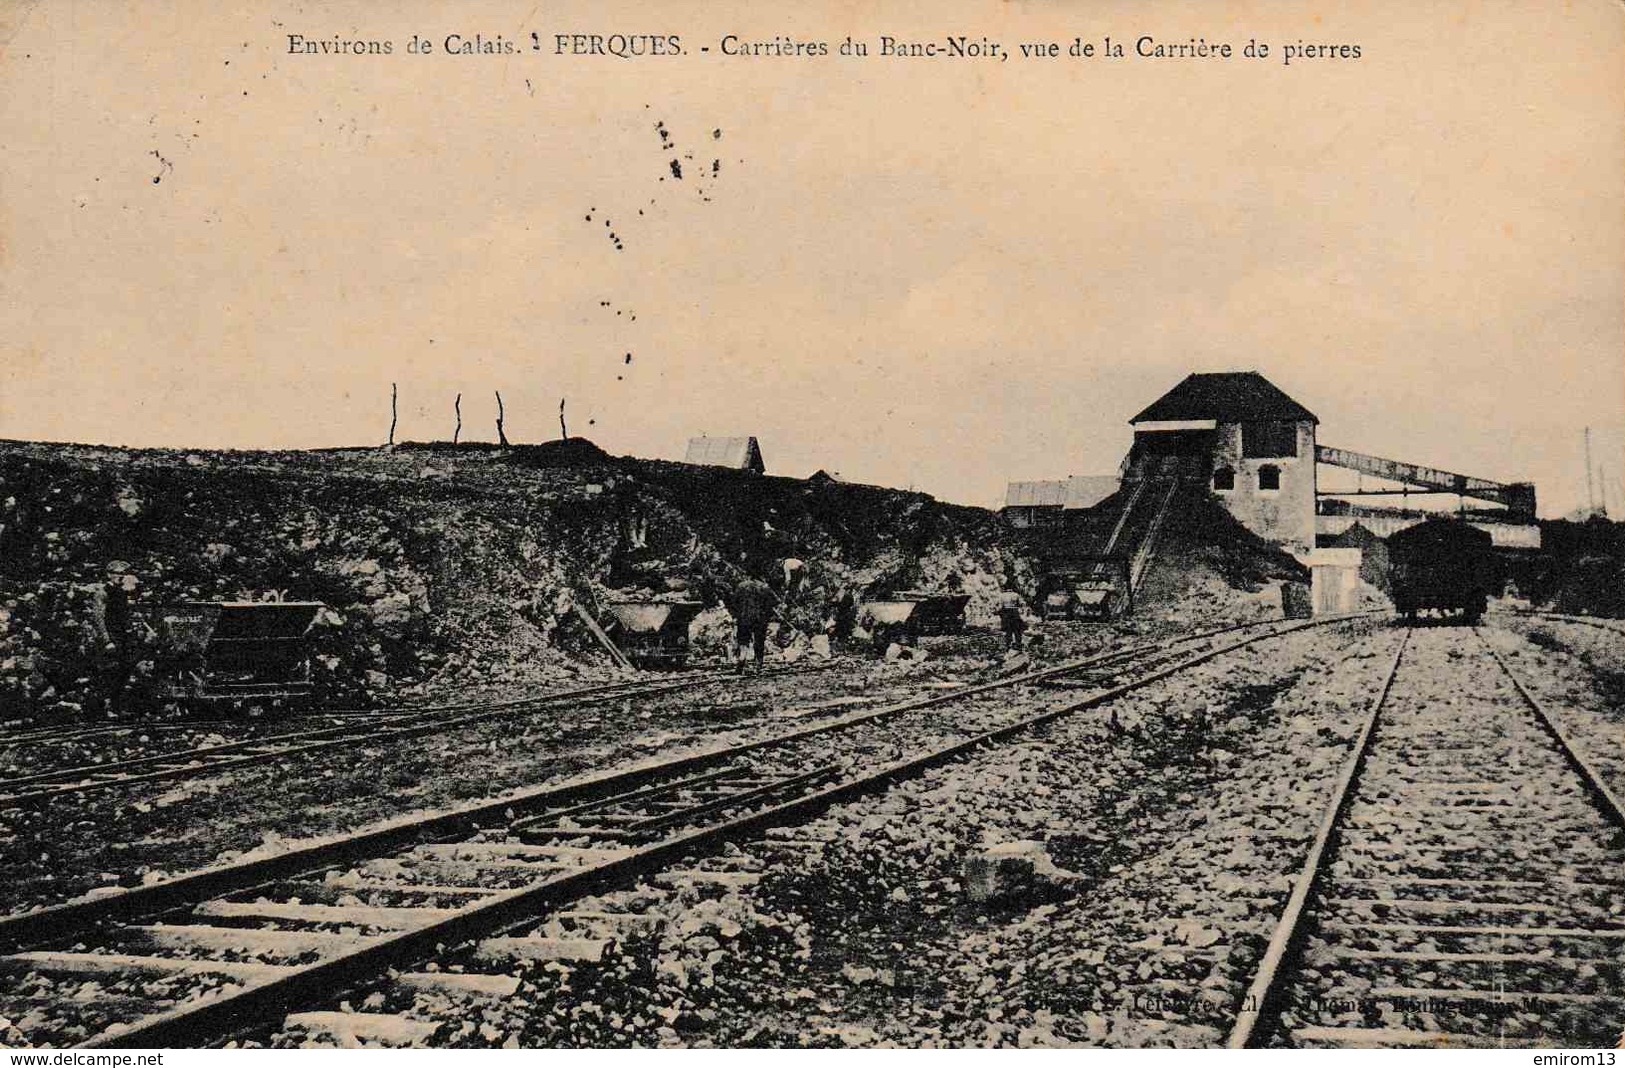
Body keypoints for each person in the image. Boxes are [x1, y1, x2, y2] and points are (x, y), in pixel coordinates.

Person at [729, 574, 775, 674]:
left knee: (743, 640)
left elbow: (733, 602)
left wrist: (737, 615)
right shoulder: (765, 587)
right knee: (759, 641)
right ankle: (758, 665)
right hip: (760, 619)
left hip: (744, 618)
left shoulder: (741, 586)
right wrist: (767, 617)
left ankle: (742, 659)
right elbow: (771, 604)